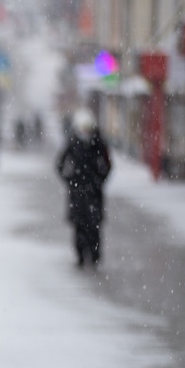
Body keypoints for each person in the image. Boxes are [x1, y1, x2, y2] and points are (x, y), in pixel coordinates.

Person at [55, 109, 111, 267]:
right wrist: (69, 179)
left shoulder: (98, 142)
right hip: (78, 191)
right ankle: (80, 256)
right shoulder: (73, 142)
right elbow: (59, 163)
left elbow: (107, 164)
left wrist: (100, 179)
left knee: (94, 226)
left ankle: (94, 256)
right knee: (79, 225)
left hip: (94, 191)